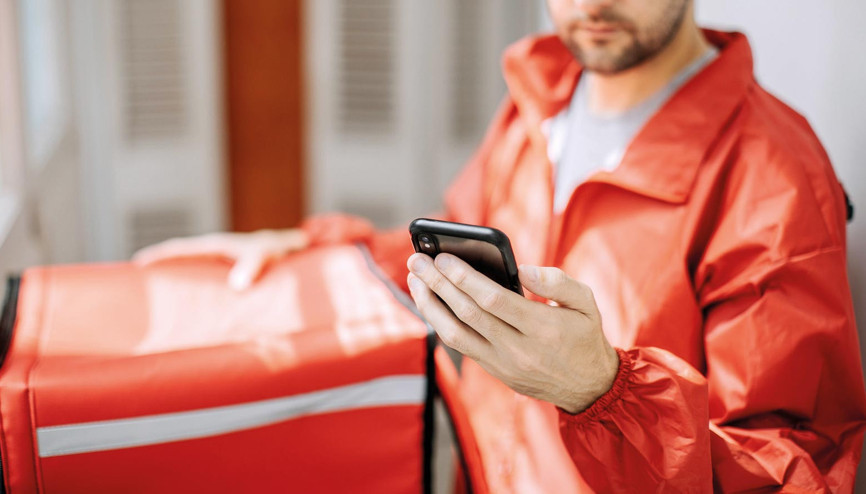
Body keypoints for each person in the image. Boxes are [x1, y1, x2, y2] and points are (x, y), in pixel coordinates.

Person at [136, 0, 866, 490]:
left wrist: (605, 390)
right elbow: (458, 246)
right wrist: (311, 250)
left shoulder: (774, 180)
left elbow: (799, 472)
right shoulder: (541, 97)